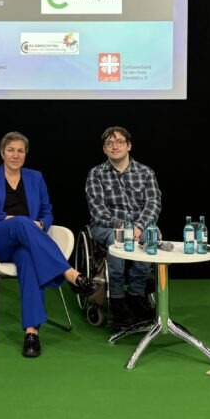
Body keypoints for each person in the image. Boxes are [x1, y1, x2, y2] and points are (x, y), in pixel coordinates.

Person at [0, 131, 99, 358]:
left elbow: (47, 212)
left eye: (20, 151)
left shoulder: (35, 177)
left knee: (28, 259)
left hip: (26, 242)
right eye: (11, 150)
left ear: (26, 154)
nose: (15, 155)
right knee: (21, 221)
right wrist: (8, 218)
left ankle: (32, 333)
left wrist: (41, 223)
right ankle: (70, 274)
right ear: (2, 153)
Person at [84, 126, 162, 327]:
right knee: (117, 239)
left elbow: (153, 203)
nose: (114, 146)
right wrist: (125, 229)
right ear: (104, 149)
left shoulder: (145, 172)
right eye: (109, 143)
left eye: (119, 142)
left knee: (150, 236)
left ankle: (137, 295)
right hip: (107, 227)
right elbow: (98, 210)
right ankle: (117, 299)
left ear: (129, 146)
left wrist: (139, 226)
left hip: (140, 226)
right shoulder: (96, 174)